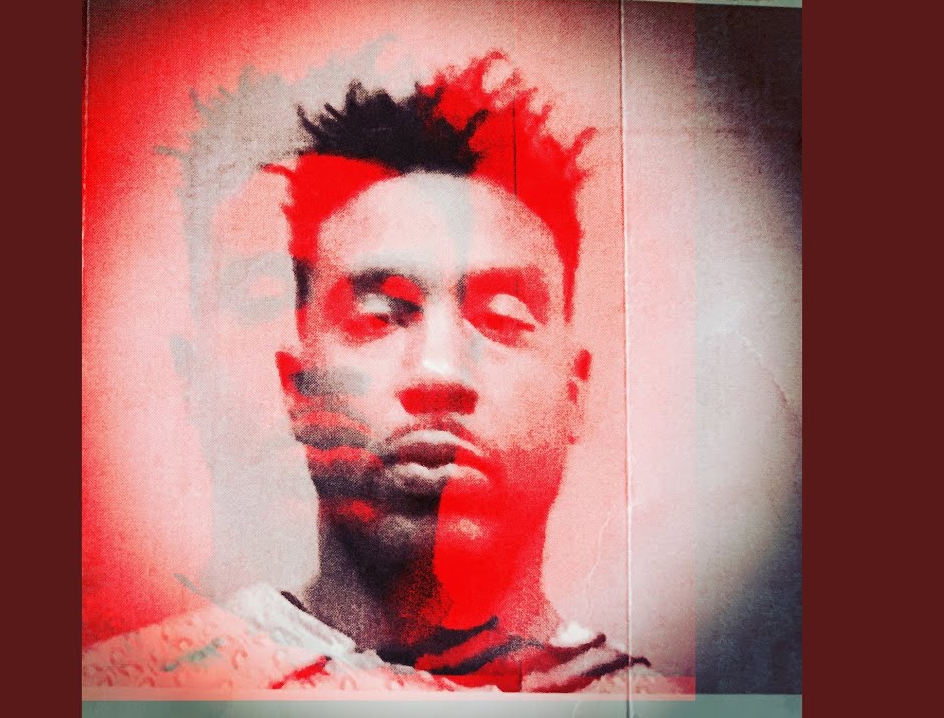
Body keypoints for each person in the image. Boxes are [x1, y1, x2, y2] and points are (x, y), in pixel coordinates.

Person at [83, 52, 682, 695]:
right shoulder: (130, 691)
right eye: (379, 316)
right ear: (297, 388)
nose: (440, 370)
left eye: (502, 318)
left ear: (574, 393)